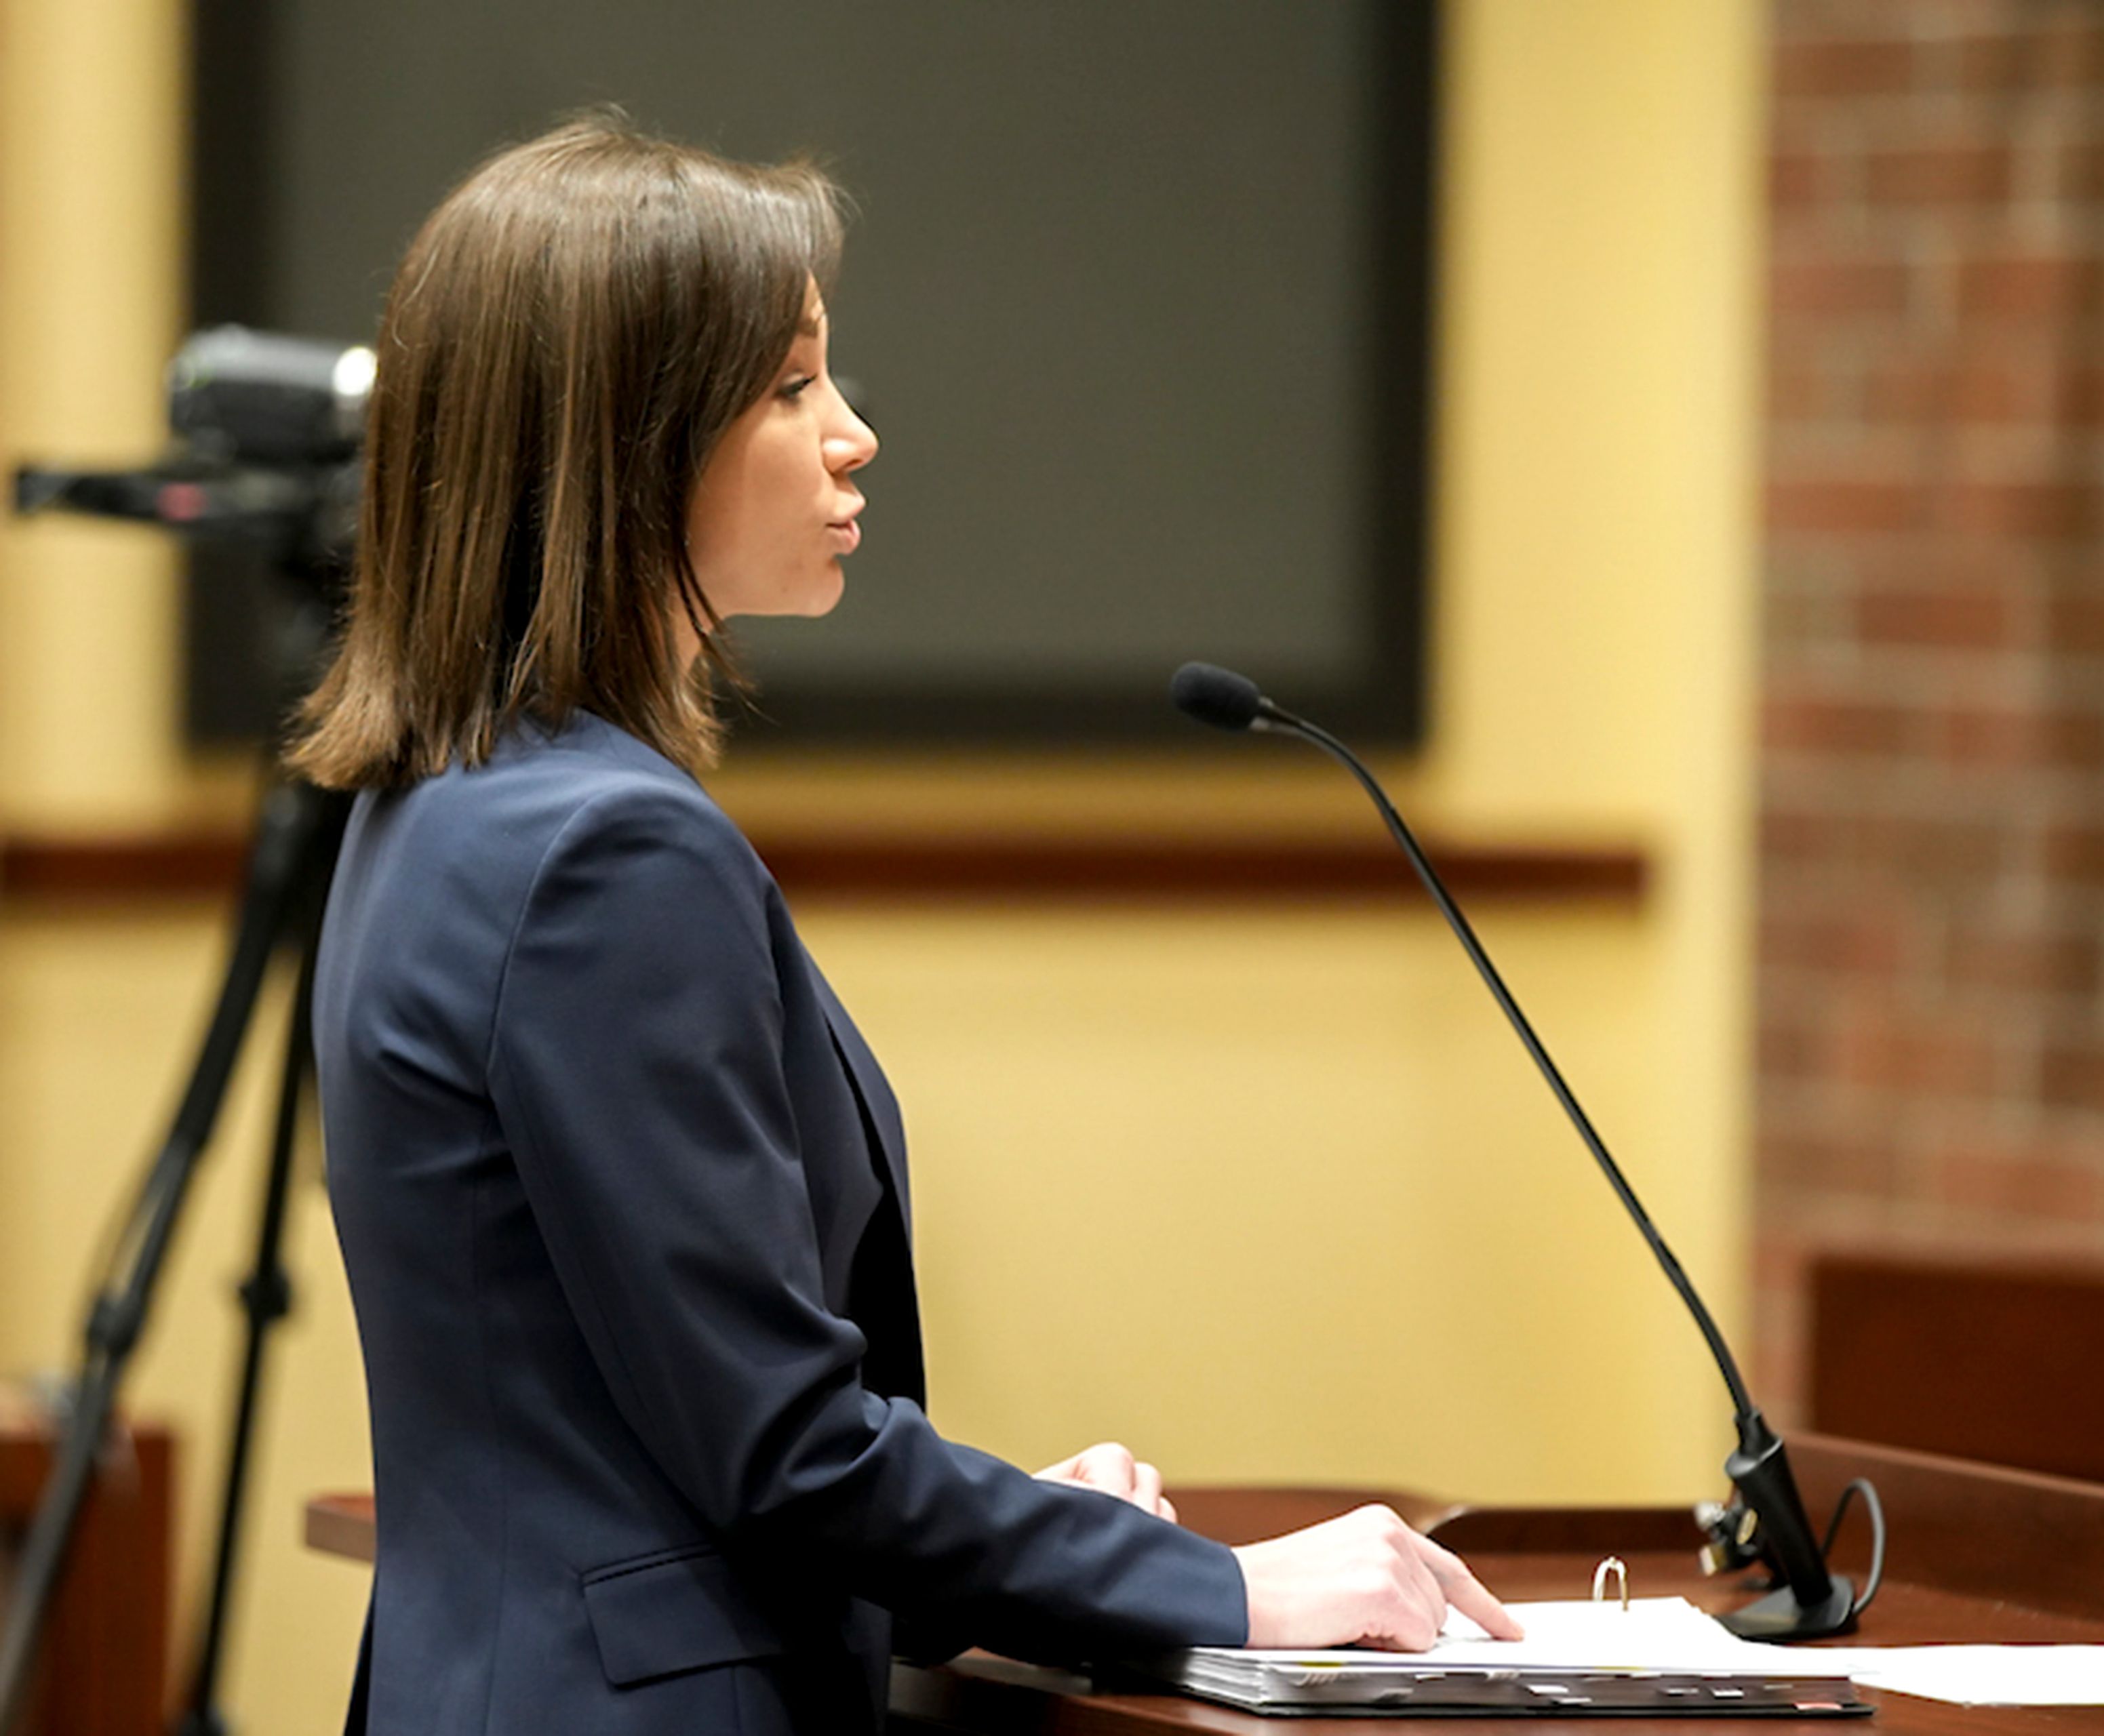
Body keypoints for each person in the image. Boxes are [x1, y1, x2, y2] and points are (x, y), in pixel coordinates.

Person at [292, 117, 1517, 1736]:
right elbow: (784, 1458)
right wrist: (1236, 1590)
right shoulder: (608, 852)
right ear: (629, 432)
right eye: (792, 385)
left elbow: (657, 1416)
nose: (853, 435)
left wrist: (1047, 1534)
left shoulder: (426, 809)